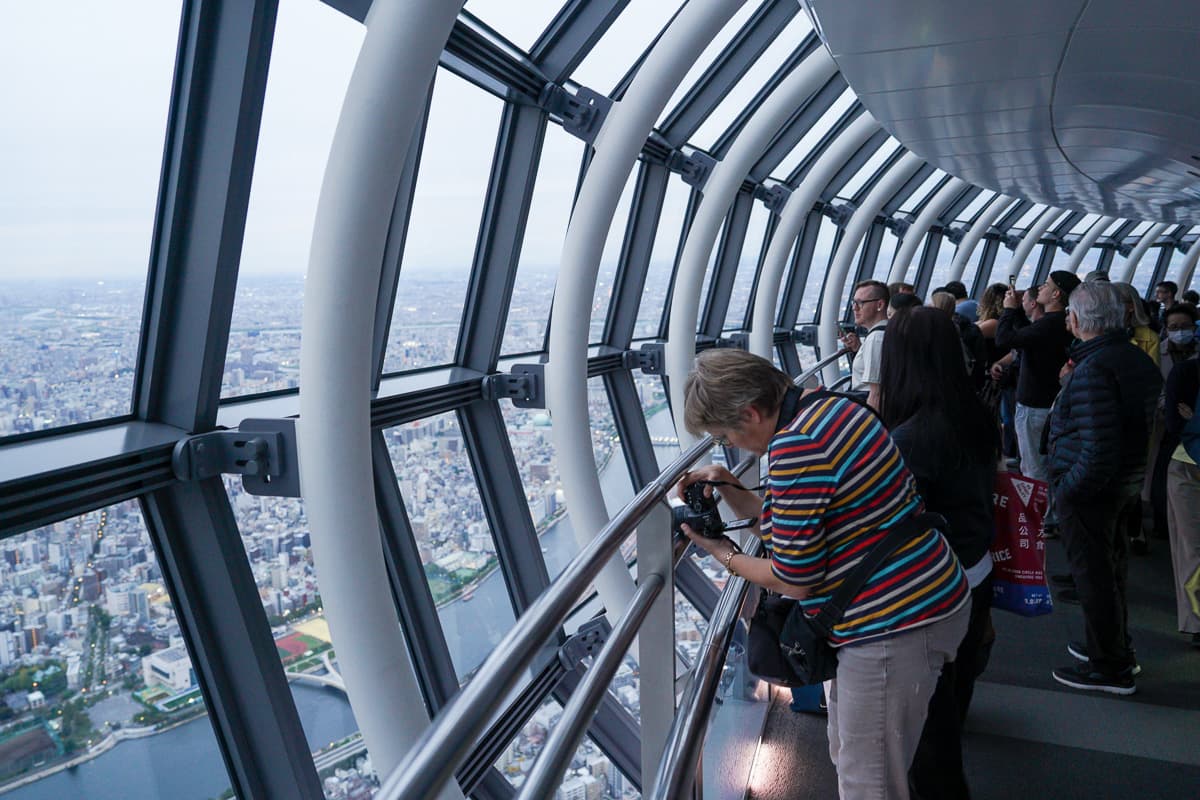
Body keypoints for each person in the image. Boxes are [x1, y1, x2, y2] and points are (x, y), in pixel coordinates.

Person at [676, 348, 970, 800]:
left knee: (869, 784)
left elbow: (794, 577)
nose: (732, 445)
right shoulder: (829, 408)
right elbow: (794, 529)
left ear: (750, 413)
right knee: (858, 757)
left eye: (726, 434)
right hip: (922, 595)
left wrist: (722, 554)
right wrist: (728, 485)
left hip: (892, 622)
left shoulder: (797, 446)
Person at [879, 308, 998, 800]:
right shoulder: (974, 413)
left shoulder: (913, 437)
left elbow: (893, 524)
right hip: (975, 568)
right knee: (951, 698)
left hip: (936, 589)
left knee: (929, 723)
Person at [1046, 282, 1161, 694]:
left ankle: (1109, 668)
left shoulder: (1094, 368)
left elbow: (1098, 447)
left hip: (1092, 492)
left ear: (1078, 319)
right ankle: (1113, 648)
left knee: (1093, 577)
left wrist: (1068, 489)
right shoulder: (1133, 359)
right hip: (1123, 485)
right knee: (1110, 572)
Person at [995, 271, 1077, 496]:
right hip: (1049, 401)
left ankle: (1037, 513)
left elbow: (1004, 339)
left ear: (1056, 294)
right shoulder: (1060, 323)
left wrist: (1009, 310)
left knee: (1033, 468)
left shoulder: (1049, 324)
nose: (1040, 288)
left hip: (1035, 405)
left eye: (1046, 285)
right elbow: (1027, 336)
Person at [1163, 356, 1200, 649]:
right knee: (1193, 548)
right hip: (1187, 466)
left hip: (1188, 461)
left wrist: (1194, 419)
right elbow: (1175, 421)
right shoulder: (1187, 371)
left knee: (1192, 549)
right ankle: (1197, 622)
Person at [839, 280, 890, 409]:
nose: (854, 308)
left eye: (861, 303)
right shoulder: (887, 331)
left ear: (879, 305)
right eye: (854, 302)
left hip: (866, 405)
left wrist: (871, 420)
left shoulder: (876, 338)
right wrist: (858, 349)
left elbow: (876, 394)